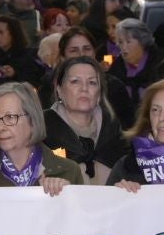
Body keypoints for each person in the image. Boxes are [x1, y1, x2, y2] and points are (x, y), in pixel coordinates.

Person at [0, 83, 84, 196]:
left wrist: (67, 195)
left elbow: (81, 220)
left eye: (10, 117)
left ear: (33, 121)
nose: (0, 127)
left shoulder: (67, 171)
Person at [43, 56, 128, 184]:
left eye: (92, 82)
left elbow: (130, 173)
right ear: (59, 89)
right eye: (75, 81)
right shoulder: (43, 128)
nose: (84, 88)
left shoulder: (113, 129)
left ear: (99, 94)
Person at [109, 19, 162, 127]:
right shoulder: (116, 68)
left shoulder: (160, 64)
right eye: (120, 42)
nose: (123, 47)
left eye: (128, 41)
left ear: (142, 41)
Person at [0, 15, 41, 85]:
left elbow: (32, 81)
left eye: (1, 32)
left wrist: (14, 74)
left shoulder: (27, 56)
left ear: (13, 34)